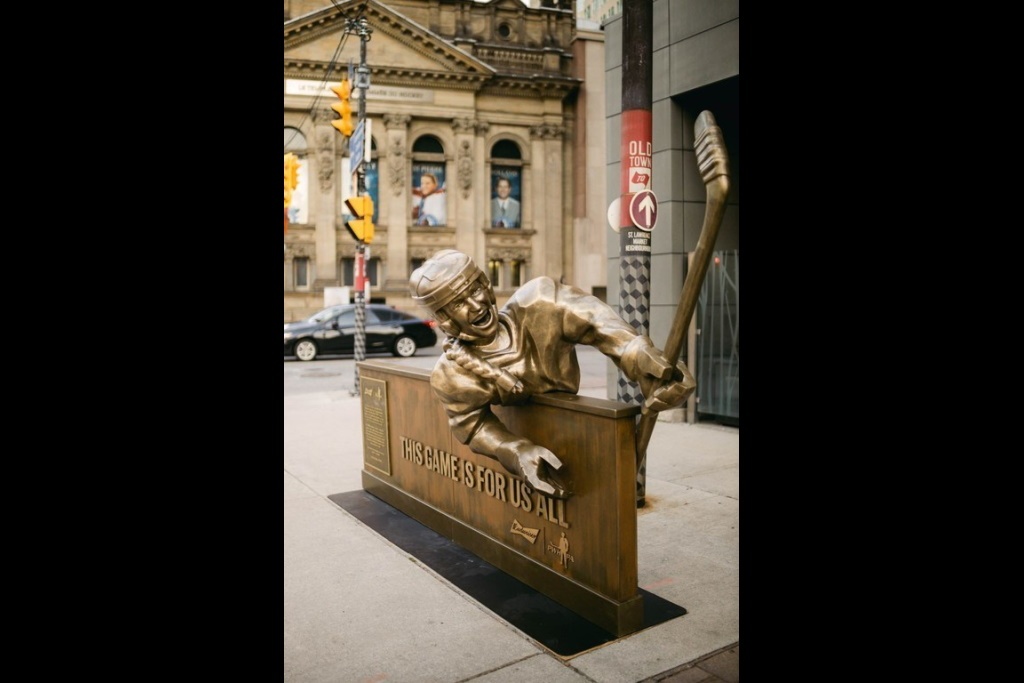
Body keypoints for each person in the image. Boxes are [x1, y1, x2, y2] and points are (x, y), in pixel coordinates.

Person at [409, 249, 695, 499]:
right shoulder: (451, 375)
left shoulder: (540, 301)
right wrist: (514, 449)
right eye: (459, 304)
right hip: (544, 442)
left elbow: (595, 321)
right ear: (445, 319)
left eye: (474, 290)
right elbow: (471, 426)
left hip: (576, 429)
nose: (476, 304)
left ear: (487, 284)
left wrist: (643, 359)